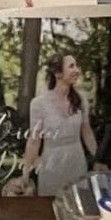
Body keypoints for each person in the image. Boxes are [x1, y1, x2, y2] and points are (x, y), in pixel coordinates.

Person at [19, 54, 95, 197]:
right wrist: (26, 173)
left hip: (77, 162)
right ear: (58, 73)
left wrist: (97, 159)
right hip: (51, 165)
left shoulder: (81, 99)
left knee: (78, 203)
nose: (77, 70)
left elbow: (86, 131)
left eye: (76, 65)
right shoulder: (38, 104)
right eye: (71, 66)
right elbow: (34, 141)